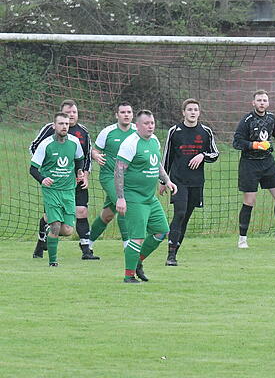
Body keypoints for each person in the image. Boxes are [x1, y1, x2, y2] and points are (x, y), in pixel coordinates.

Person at [30, 99, 99, 260]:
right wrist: (46, 169)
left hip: (75, 180)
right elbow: (34, 148)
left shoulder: (82, 132)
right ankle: (44, 240)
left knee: (79, 214)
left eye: (74, 112)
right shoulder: (49, 131)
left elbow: (85, 156)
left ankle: (85, 249)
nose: (70, 117)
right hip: (53, 184)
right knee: (54, 220)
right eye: (67, 114)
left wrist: (83, 174)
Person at [115, 110, 177, 283]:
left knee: (161, 231)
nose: (150, 126)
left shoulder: (154, 140)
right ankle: (129, 276)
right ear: (138, 125)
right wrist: (121, 198)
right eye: (146, 123)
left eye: (152, 123)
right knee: (137, 236)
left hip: (150, 198)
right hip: (134, 198)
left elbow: (155, 163)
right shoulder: (131, 143)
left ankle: (138, 262)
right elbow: (119, 170)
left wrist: (167, 180)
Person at [232, 90, 275, 249]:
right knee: (250, 201)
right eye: (259, 100)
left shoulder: (271, 118)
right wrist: (254, 145)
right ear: (253, 103)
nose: (262, 103)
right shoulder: (247, 120)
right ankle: (242, 239)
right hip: (249, 164)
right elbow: (237, 142)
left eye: (264, 100)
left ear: (268, 103)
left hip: (267, 162)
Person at [161, 98, 219, 266]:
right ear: (183, 112)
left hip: (196, 182)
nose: (193, 112)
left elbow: (215, 154)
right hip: (178, 181)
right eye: (189, 109)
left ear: (199, 113)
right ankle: (170, 255)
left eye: (195, 110)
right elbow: (167, 157)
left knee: (185, 217)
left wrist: (203, 155)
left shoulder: (205, 131)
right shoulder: (175, 131)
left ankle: (174, 252)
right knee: (179, 213)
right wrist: (163, 180)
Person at [29, 113, 85, 267]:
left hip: (68, 190)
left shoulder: (74, 142)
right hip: (51, 190)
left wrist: (79, 172)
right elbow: (33, 169)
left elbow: (79, 159)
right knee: (56, 225)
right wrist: (43, 179)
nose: (64, 126)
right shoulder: (46, 144)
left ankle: (46, 233)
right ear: (54, 126)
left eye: (66, 124)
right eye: (61, 123)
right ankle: (53, 262)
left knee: (67, 230)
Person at [87, 102, 136, 250]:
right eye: (122, 112)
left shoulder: (137, 131)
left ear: (132, 115)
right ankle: (128, 245)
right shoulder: (107, 132)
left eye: (128, 112)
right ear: (117, 115)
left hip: (129, 178)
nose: (126, 115)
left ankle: (86, 243)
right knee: (123, 205)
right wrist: (96, 156)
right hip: (109, 176)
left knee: (107, 215)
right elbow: (94, 150)